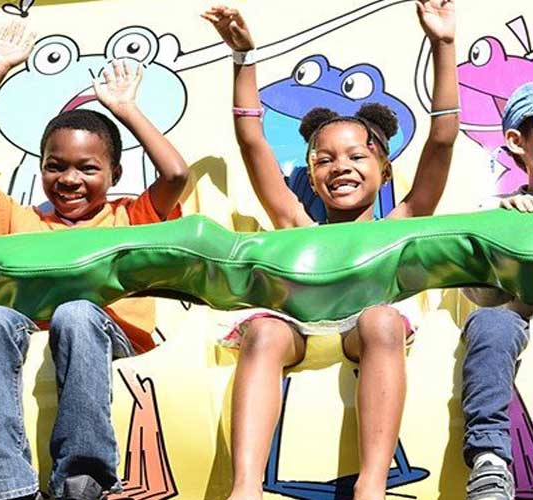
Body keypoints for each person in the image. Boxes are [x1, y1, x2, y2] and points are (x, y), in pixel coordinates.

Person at [202, 2, 458, 499]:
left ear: (384, 169)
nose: (340, 166)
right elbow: (252, 141)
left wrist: (444, 45)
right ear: (312, 176)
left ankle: (372, 484)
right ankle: (245, 488)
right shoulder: (295, 222)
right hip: (300, 329)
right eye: (324, 159)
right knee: (264, 329)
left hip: (363, 331)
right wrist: (243, 58)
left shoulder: (400, 224)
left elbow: (443, 141)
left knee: (381, 319)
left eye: (357, 155)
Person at [0, 20, 188, 500]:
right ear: (40, 168)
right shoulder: (18, 217)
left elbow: (175, 172)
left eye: (88, 167)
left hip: (109, 338)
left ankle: (83, 477)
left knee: (76, 312)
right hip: (33, 337)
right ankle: (8, 487)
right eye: (56, 166)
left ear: (114, 172)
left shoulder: (131, 214)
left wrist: (124, 108)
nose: (70, 178)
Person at [461, 82, 533, 500]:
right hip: (516, 316)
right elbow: (482, 298)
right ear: (517, 141)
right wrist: (503, 237)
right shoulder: (497, 212)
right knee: (490, 324)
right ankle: (490, 460)